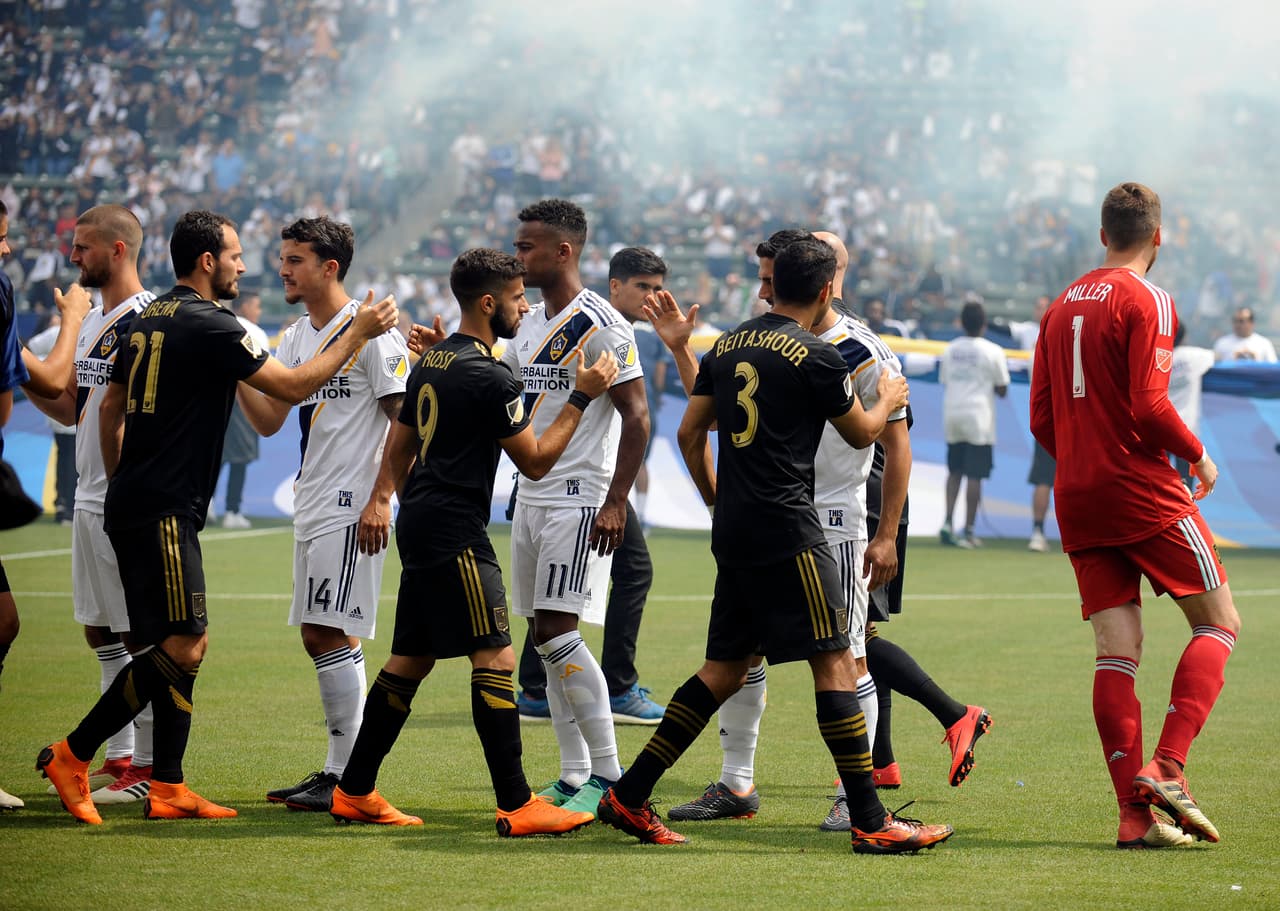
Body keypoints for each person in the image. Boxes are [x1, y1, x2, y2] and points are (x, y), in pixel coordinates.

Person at [35, 209, 398, 825]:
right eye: (234, 256)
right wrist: (358, 332)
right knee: (185, 642)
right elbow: (288, 387)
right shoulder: (214, 323)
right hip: (165, 506)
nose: (245, 265)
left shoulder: (147, 319)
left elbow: (107, 410)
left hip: (134, 499)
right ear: (207, 261)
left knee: (168, 643)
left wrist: (125, 478)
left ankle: (169, 785)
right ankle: (74, 753)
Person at [596, 238, 951, 854]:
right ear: (822, 291)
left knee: (724, 669)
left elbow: (688, 432)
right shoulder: (818, 356)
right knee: (837, 661)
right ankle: (871, 820)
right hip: (792, 528)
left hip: (736, 529)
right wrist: (889, 400)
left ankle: (628, 794)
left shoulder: (730, 344)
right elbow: (865, 432)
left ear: (771, 284)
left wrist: (715, 500)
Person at [330, 248, 617, 834]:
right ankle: (516, 801)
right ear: (489, 302)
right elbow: (534, 462)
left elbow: (402, 440)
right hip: (455, 530)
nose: (524, 305)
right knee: (496, 654)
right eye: (515, 298)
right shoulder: (491, 375)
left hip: (421, 520)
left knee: (410, 659)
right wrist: (583, 395)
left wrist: (388, 496)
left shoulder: (434, 360)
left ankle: (354, 789)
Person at [1030, 181, 1239, 849]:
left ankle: (1134, 817)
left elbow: (1040, 417)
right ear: (1158, 235)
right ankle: (1170, 767)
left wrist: (1085, 461)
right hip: (1139, 487)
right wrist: (1198, 456)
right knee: (1220, 622)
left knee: (1116, 653)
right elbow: (1150, 405)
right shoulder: (1149, 298)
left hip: (1078, 492)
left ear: (1102, 235)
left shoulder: (1060, 305)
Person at [235, 217, 411, 812]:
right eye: (282, 258)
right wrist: (234, 365)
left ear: (329, 267)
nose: (282, 268)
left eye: (294, 259)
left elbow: (403, 421)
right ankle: (345, 773)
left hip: (352, 503)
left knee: (324, 631)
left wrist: (381, 496)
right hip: (313, 500)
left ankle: (347, 777)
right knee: (327, 632)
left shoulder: (374, 332)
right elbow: (269, 418)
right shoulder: (294, 337)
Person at [502, 199, 650, 819]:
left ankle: (613, 775)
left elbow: (637, 415)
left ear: (563, 251)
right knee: (543, 636)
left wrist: (617, 499)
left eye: (528, 246)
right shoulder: (530, 322)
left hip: (579, 496)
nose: (518, 256)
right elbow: (507, 388)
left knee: (560, 631)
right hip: (531, 495)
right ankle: (572, 773)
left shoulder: (604, 323)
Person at [24, 205, 159, 807]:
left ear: (118, 250)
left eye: (82, 247)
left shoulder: (148, 319)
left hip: (124, 500)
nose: (73, 258)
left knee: (144, 636)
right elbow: (78, 407)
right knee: (100, 628)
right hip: (86, 494)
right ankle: (121, 755)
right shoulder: (96, 319)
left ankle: (150, 770)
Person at [514, 246, 667, 727]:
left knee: (557, 606)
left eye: (659, 288)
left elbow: (636, 418)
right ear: (615, 285)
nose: (652, 297)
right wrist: (616, 500)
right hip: (575, 489)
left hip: (576, 486)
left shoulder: (605, 328)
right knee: (572, 608)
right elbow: (637, 418)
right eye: (643, 286)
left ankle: (542, 690)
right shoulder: (589, 325)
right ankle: (614, 691)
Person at [939, 299, 1009, 548]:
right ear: (984, 324)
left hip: (953, 414)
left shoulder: (950, 349)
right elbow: (1002, 388)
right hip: (978, 417)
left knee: (954, 471)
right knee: (975, 476)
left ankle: (947, 522)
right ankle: (968, 530)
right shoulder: (993, 351)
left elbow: (945, 380)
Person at [219, 292, 270, 528]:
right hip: (242, 401)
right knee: (239, 458)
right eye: (257, 306)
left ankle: (204, 502)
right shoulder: (253, 332)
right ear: (246, 306)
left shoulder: (217, 321)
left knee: (216, 456)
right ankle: (232, 510)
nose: (259, 311)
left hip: (212, 400)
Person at [25, 313, 78, 524]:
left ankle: (61, 503)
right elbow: (30, 351)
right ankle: (67, 507)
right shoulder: (62, 332)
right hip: (67, 405)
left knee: (65, 458)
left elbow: (30, 349)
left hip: (60, 406)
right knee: (70, 460)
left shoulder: (57, 333)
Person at [1015, 296, 1056, 552]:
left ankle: (1038, 532)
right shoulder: (1059, 344)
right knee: (1049, 478)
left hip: (1047, 420)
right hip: (1066, 420)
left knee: (1044, 478)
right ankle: (1039, 532)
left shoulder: (1036, 347)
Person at [1168, 324, 1216, 490]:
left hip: (1160, 429)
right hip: (1186, 430)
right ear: (1184, 336)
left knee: (1158, 482)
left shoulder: (1151, 356)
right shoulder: (1194, 356)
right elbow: (1218, 356)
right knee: (1186, 484)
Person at [1211, 306, 1276, 362]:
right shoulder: (1222, 343)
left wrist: (1255, 361)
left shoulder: (1264, 343)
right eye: (1235, 321)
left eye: (1241, 321)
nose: (1237, 324)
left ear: (1251, 323)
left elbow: (1273, 369)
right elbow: (1215, 366)